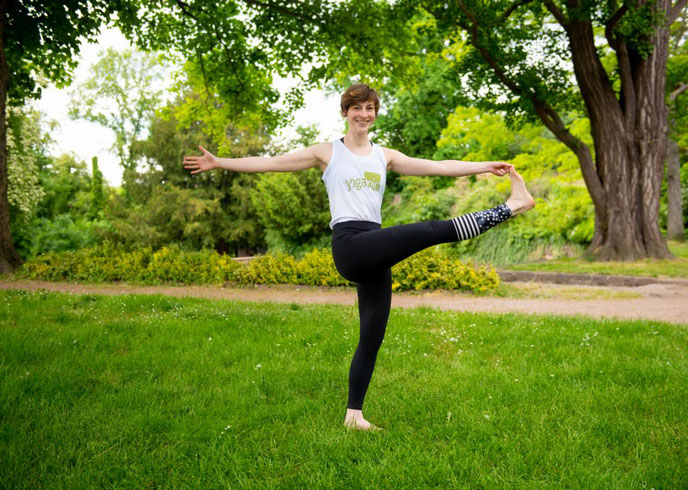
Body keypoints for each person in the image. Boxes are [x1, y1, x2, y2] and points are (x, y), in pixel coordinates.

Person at [183, 83, 535, 431]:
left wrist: (483, 165)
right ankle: (512, 206)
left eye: (370, 109)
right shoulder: (326, 152)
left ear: (375, 114)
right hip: (351, 245)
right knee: (431, 230)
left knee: (372, 336)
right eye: (358, 108)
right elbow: (270, 162)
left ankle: (354, 415)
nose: (364, 114)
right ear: (346, 112)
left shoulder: (386, 157)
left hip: (375, 247)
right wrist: (218, 162)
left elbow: (438, 166)